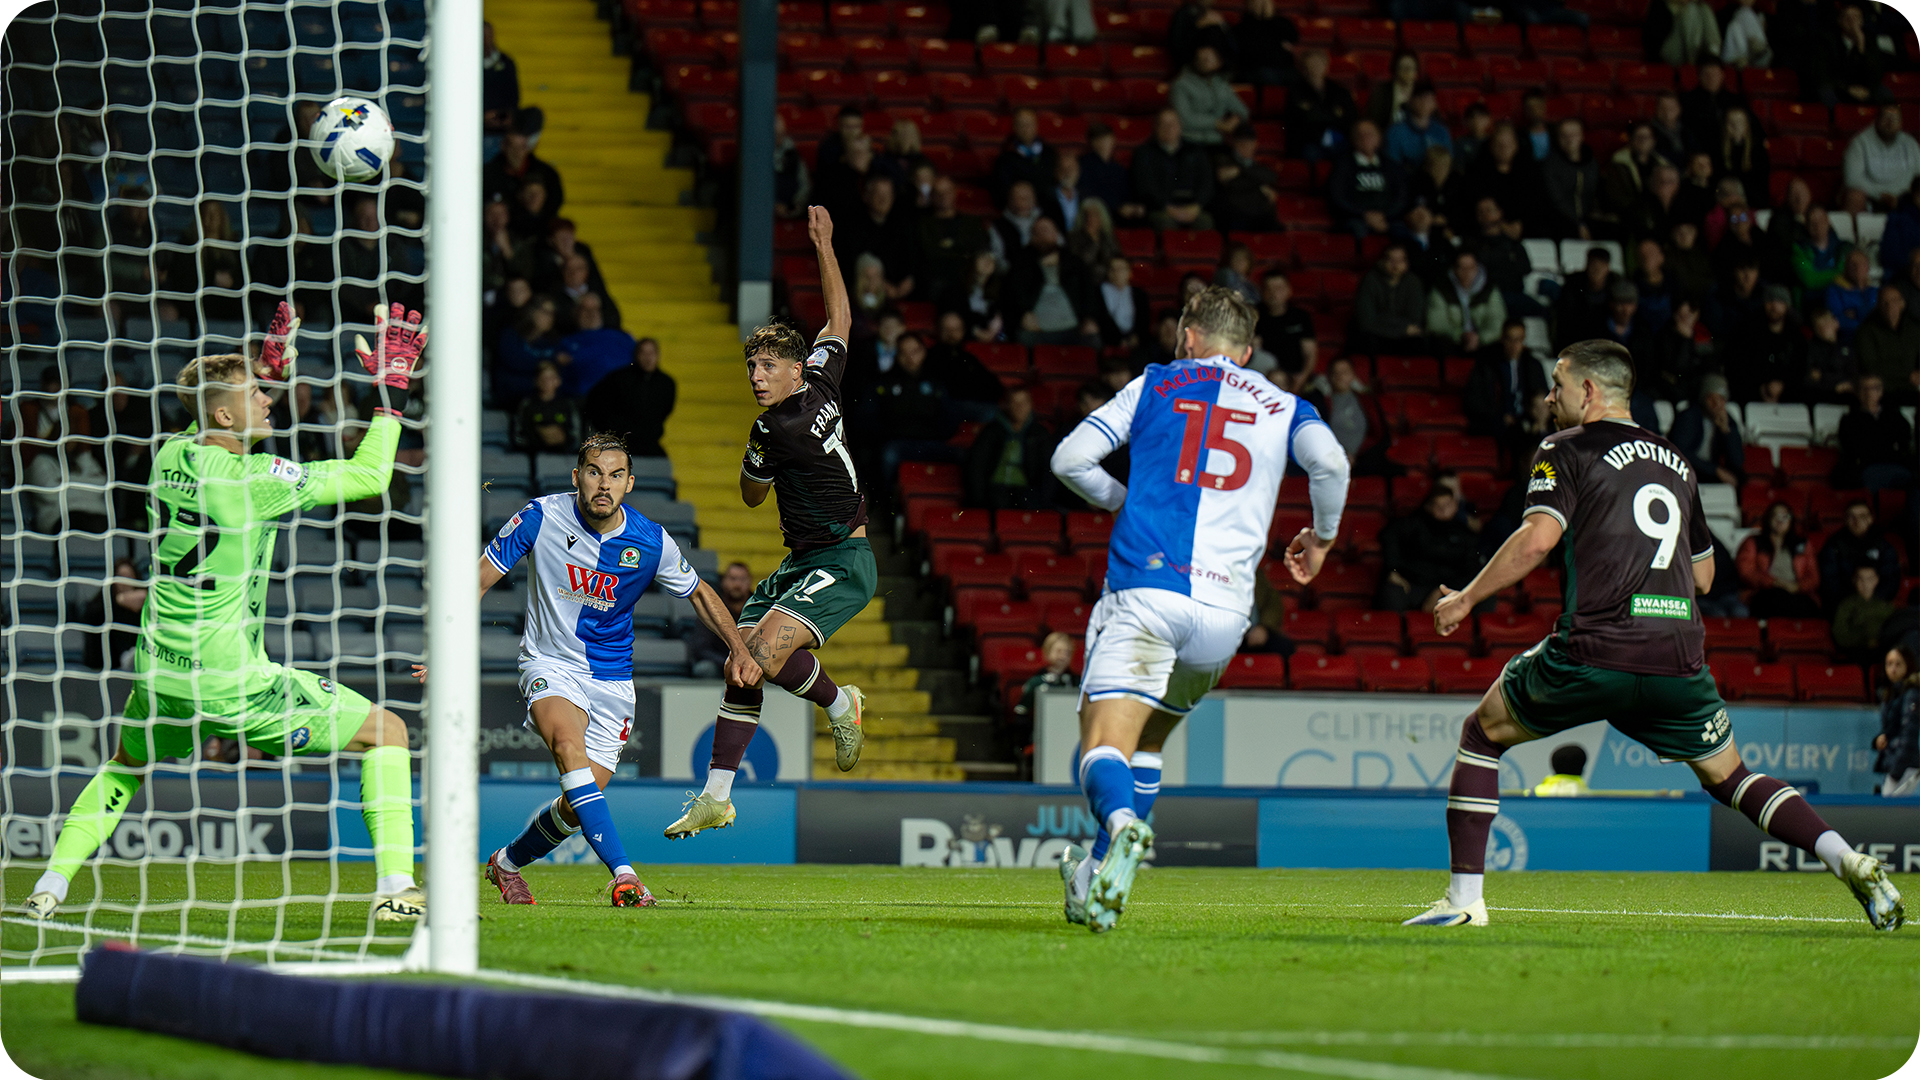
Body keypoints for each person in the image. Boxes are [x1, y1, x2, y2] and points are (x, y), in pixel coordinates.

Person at [1403, 339, 1903, 930]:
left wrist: (1466, 597)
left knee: (1482, 734)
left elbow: (1537, 540)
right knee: (1732, 776)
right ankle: (1846, 860)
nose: (1547, 396)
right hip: (1675, 657)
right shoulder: (1677, 460)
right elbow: (1706, 573)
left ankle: (1464, 901)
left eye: (1557, 384)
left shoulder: (1564, 448)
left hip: (1596, 648)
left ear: (1587, 392)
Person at [22, 303, 427, 923]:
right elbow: (371, 476)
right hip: (231, 679)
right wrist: (389, 398)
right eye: (255, 394)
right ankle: (397, 889)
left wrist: (262, 370)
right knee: (389, 732)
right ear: (221, 413)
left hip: (159, 668)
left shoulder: (169, 458)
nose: (268, 400)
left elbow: (212, 423)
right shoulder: (258, 479)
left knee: (125, 766)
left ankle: (48, 887)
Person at [1050, 286, 1350, 932]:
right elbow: (1331, 462)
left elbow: (1069, 459)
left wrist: (1119, 500)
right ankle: (1097, 877)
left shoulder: (1157, 383)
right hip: (1223, 619)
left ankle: (1123, 824)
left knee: (1104, 744)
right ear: (1245, 351)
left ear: (1187, 336)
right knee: (1150, 738)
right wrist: (1321, 539)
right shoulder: (1284, 404)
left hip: (1147, 594)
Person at [437, 433, 755, 908]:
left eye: (614, 475)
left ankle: (505, 863)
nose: (603, 484)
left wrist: (739, 648)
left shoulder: (648, 541)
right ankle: (625, 876)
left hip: (611, 682)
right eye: (593, 472)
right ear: (576, 477)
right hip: (548, 664)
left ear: (629, 483)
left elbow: (700, 594)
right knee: (568, 748)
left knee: (576, 804)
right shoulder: (541, 516)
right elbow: (478, 578)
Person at [667, 208, 877, 841]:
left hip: (843, 560)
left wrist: (753, 461)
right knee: (740, 662)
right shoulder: (821, 380)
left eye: (765, 368)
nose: (756, 378)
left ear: (791, 369)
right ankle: (716, 796)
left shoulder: (772, 429)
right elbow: (839, 319)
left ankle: (843, 704)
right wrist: (826, 245)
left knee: (755, 652)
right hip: (804, 561)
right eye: (751, 369)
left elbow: (752, 497)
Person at [1378, 485, 1483, 613]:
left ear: (1456, 505)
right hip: (1413, 585)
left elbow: (1471, 568)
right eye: (1438, 506)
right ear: (1429, 506)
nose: (1443, 510)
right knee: (1392, 592)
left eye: (1447, 505)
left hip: (1449, 589)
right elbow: (1388, 537)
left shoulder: (1464, 533)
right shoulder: (1413, 524)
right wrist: (1392, 570)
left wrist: (1443, 591)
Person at [1005, 217, 1099, 347]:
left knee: (1093, 339)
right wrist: (1023, 314)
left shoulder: (1073, 262)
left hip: (1073, 327)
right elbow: (1013, 294)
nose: (1042, 235)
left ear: (1056, 234)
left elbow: (1088, 291)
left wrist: (1089, 318)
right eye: (1038, 231)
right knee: (1023, 338)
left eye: (1046, 230)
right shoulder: (1021, 264)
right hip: (1037, 329)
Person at [965, 385, 1056, 509]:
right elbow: (977, 465)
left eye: (1023, 403)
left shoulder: (1040, 434)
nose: (1020, 408)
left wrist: (1043, 500)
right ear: (1007, 405)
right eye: (1015, 403)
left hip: (1027, 491)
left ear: (1031, 405)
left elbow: (1047, 470)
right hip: (995, 489)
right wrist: (978, 498)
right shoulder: (991, 431)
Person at [583, 337, 675, 457]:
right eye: (643, 353)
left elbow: (664, 411)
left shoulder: (666, 383)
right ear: (636, 355)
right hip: (620, 443)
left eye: (651, 353)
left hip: (648, 444)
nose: (648, 358)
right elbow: (596, 403)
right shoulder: (618, 379)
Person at [1130, 109, 1216, 231]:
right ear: (1156, 128)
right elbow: (1145, 186)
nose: (1168, 128)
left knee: (1205, 222)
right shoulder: (1144, 153)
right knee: (1165, 222)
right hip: (1160, 208)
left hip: (1193, 207)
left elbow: (1206, 183)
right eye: (1164, 124)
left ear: (1180, 126)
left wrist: (1197, 206)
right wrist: (1167, 207)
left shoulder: (1195, 151)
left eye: (1172, 124)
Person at [1737, 500, 1823, 618]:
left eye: (1784, 516)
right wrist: (1773, 582)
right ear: (1768, 519)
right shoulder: (1754, 542)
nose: (1780, 520)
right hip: (1766, 592)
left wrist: (1798, 587)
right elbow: (1746, 572)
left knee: (1806, 608)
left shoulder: (1803, 544)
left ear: (1791, 519)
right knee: (1774, 601)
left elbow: (1814, 577)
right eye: (1775, 516)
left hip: (1797, 592)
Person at [1466, 320, 1550, 437]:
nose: (1514, 345)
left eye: (1518, 340)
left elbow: (1542, 393)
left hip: (1527, 419)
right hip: (1497, 422)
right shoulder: (1488, 364)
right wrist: (1500, 417)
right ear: (1502, 339)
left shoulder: (1532, 365)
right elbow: (1475, 399)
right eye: (1510, 339)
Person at [1820, 500, 1905, 612]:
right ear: (1846, 520)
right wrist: (1854, 603)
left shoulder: (1883, 545)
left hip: (1877, 604)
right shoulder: (1834, 545)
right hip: (1844, 606)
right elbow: (1830, 582)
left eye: (1862, 516)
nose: (1857, 521)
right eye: (1851, 517)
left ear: (1870, 519)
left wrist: (1872, 602)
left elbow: (1890, 580)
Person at [1835, 374, 1915, 490]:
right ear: (1858, 392)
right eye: (1865, 389)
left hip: (1895, 464)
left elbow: (1904, 440)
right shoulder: (1849, 420)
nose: (1870, 393)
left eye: (1875, 388)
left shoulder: (1893, 415)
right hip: (1867, 467)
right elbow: (1853, 448)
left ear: (1881, 391)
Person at [1328, 120, 1407, 238]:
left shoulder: (1391, 166)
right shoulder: (1343, 166)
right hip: (1355, 219)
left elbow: (1402, 195)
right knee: (1357, 230)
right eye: (1360, 134)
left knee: (1404, 232)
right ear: (1353, 139)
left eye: (1370, 134)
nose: (1365, 138)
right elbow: (1337, 197)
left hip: (1387, 218)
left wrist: (1384, 215)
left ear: (1379, 138)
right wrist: (1365, 215)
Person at [919, 176, 992, 301]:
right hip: (934, 282)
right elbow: (927, 253)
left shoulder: (972, 223)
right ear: (932, 196)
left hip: (967, 280)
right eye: (938, 193)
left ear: (954, 193)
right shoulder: (921, 224)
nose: (943, 196)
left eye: (947, 192)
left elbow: (980, 249)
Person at [1727, 285, 1803, 404]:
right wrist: (1760, 387)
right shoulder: (1748, 331)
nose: (1774, 306)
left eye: (1779, 301)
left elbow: (1799, 370)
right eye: (1770, 301)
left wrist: (1783, 387)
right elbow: (1738, 366)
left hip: (1789, 399)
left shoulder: (1797, 337)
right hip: (1751, 396)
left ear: (1787, 306)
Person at [1667, 373, 1746, 486]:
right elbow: (1681, 453)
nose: (1716, 404)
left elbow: (1737, 462)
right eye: (1711, 398)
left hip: (1711, 474)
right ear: (1703, 398)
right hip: (1688, 471)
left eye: (1721, 399)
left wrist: (1726, 431)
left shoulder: (1727, 421)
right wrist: (1715, 470)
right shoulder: (1689, 417)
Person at [1010, 632, 1081, 757]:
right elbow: (1022, 714)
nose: (1063, 656)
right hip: (1042, 736)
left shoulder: (1077, 683)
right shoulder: (1036, 683)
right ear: (1047, 652)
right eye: (1059, 651)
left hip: (1071, 735)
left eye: (1067, 652)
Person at [1283, 48, 1358, 162]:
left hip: (1339, 140)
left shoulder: (1340, 91)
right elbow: (1297, 121)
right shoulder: (1296, 91)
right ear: (1304, 68)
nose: (1315, 67)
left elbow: (1350, 118)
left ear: (1326, 66)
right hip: (1309, 142)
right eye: (1312, 64)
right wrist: (1331, 117)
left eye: (1319, 63)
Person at [1354, 243, 1429, 355]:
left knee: (1421, 343)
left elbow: (1415, 319)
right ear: (1382, 261)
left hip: (1402, 338)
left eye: (1400, 261)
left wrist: (1384, 322)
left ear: (1406, 263)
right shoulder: (1370, 280)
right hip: (1378, 336)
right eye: (1391, 260)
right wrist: (1401, 330)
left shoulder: (1413, 283)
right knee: (1366, 341)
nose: (1395, 265)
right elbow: (1366, 321)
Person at [1427, 248, 1506, 354]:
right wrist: (1461, 336)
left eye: (1470, 268)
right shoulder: (1442, 290)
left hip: (1483, 343)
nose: (1467, 272)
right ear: (1454, 269)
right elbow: (1436, 324)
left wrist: (1479, 338)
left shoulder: (1489, 289)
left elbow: (1498, 321)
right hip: (1453, 343)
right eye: (1462, 268)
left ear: (1477, 268)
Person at [554, 293, 634, 397]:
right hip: (583, 401)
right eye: (585, 309)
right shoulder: (566, 342)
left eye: (595, 309)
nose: (591, 313)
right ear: (576, 312)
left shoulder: (622, 338)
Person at [685, 562, 756, 680]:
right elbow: (701, 648)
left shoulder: (760, 610)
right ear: (723, 581)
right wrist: (730, 663)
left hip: (751, 666)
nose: (737, 584)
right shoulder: (711, 607)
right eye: (733, 579)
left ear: (749, 582)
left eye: (742, 579)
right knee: (705, 668)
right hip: (720, 665)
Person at [1814, 3, 1890, 109]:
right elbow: (1823, 74)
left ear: (1862, 21)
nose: (1852, 21)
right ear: (1839, 21)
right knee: (1826, 93)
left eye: (1856, 17)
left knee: (1885, 93)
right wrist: (1847, 89)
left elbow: (1875, 74)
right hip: (1838, 86)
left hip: (1863, 86)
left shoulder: (1869, 41)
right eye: (1847, 17)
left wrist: (1861, 47)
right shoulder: (1827, 41)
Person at [1171, 45, 1248, 147]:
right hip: (1190, 142)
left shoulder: (1220, 84)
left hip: (1217, 142)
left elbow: (1242, 110)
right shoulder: (1181, 84)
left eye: (1212, 56)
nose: (1207, 59)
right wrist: (1217, 124)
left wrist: (1235, 119)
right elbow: (1184, 119)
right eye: (1204, 57)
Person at [1541, 119, 1602, 241]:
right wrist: (1578, 223)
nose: (1569, 140)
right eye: (1564, 136)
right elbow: (1557, 200)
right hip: (1561, 221)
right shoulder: (1551, 164)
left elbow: (1595, 195)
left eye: (1573, 135)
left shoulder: (1592, 164)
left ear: (1582, 136)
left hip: (1587, 219)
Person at [83, 557, 146, 672]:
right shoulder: (101, 603)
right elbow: (90, 616)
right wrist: (119, 600)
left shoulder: (146, 601)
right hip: (105, 662)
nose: (125, 582)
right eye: (121, 577)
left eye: (129, 577)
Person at [1253, 273, 1316, 389]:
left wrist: (1300, 381)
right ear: (1262, 291)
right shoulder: (1254, 316)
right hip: (1264, 378)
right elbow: (1254, 353)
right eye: (1269, 289)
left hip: (1297, 377)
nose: (1273, 293)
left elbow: (1310, 354)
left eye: (1278, 288)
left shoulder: (1300, 317)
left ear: (1289, 290)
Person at [1856, 288, 1920, 399]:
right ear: (1878, 305)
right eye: (1885, 302)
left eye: (1894, 300)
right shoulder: (1866, 331)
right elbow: (1870, 366)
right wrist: (1908, 374)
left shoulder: (1914, 329)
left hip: (1914, 389)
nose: (1890, 306)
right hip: (1884, 393)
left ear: (1902, 303)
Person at [1212, 128, 1280, 233]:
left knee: (1276, 229)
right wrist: (1258, 185)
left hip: (1258, 213)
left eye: (1249, 143)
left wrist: (1240, 171)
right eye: (1242, 143)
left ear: (1255, 144)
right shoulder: (1223, 159)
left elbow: (1271, 177)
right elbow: (1232, 184)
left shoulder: (1257, 166)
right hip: (1235, 213)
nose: (1246, 147)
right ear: (1234, 143)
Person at [1603, 124, 1671, 227]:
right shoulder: (1619, 164)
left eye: (1647, 137)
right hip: (1628, 217)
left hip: (1658, 215)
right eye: (1639, 137)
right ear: (1631, 139)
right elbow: (1616, 198)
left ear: (1653, 141)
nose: (1643, 141)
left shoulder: (1663, 165)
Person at [1874, 645, 1920, 795]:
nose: (1893, 668)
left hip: (1906, 768)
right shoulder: (1891, 694)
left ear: (1908, 665)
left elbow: (1909, 737)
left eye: (1898, 664)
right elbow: (1891, 729)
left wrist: (1896, 773)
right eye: (1889, 664)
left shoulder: (1911, 694)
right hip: (1895, 764)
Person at [512, 361, 581, 455]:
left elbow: (577, 436)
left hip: (564, 456)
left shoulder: (568, 405)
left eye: (551, 378)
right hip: (534, 456)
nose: (547, 382)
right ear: (536, 381)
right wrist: (540, 436)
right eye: (543, 378)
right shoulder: (527, 405)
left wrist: (562, 438)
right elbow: (519, 436)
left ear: (558, 380)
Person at [1836, 566, 1898, 662]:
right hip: (1855, 654)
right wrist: (1864, 641)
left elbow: (1895, 632)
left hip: (1883, 653)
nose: (1865, 584)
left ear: (1877, 580)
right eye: (1860, 579)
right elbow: (1840, 634)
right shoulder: (1846, 606)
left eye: (1869, 579)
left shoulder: (1886, 607)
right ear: (1854, 580)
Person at [1711, 109, 1770, 211]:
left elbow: (1761, 183)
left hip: (1752, 204)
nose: (1736, 126)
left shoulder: (1757, 151)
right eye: (1731, 122)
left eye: (1740, 122)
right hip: (1725, 203)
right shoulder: (1717, 150)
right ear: (1725, 126)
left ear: (1746, 125)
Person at [991, 108, 1051, 208]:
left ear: (1036, 125)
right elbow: (1001, 193)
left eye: (1029, 124)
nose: (1026, 128)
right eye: (1021, 124)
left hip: (1044, 211)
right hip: (1017, 211)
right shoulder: (1004, 159)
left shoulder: (1050, 154)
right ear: (1014, 127)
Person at [1385, 83, 1451, 172]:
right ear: (1410, 101)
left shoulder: (1441, 131)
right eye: (1420, 98)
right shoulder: (1396, 132)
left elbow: (1448, 161)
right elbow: (1392, 165)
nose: (1424, 103)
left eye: (1428, 99)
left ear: (1434, 104)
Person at [1093, 256, 1152, 350]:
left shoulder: (1139, 294)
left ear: (1129, 272)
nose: (1117, 273)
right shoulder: (1098, 293)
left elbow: (1144, 319)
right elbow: (1101, 319)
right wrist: (1118, 340)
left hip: (1135, 341)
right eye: (1113, 269)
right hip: (1109, 340)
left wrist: (1136, 337)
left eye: (1120, 269)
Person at [1078, 122, 1134, 218]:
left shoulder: (1119, 169)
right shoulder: (1083, 165)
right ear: (1092, 143)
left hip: (1119, 213)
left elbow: (1126, 194)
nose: (1103, 143)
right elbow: (1088, 195)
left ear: (1113, 140)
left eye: (1106, 139)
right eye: (1098, 140)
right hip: (1097, 214)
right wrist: (1117, 208)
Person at [1793, 205, 1851, 298]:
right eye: (1813, 222)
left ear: (1828, 222)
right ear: (1807, 226)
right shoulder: (1799, 250)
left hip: (1840, 297)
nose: (1817, 225)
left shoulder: (1843, 248)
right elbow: (1809, 280)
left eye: (1821, 220)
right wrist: (1837, 276)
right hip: (1811, 300)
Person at [1647, 0, 1722, 66]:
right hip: (1670, 53)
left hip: (1696, 51)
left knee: (1704, 8)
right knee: (1691, 9)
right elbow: (1653, 40)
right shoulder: (1659, 4)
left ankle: (1713, 60)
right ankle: (1694, 63)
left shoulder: (1699, 8)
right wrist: (1677, 14)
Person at [1828, 249, 1879, 342]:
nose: (1857, 268)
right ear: (1846, 268)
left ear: (1867, 268)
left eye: (1861, 264)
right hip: (1849, 339)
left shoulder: (1875, 291)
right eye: (1853, 264)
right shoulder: (1835, 291)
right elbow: (1836, 320)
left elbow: (1879, 316)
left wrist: (1857, 313)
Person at [1365, 52, 1421, 135]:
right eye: (1403, 68)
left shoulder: (1422, 92)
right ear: (1395, 70)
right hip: (1387, 135)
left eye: (1410, 68)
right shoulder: (1383, 91)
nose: (1407, 72)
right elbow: (1373, 120)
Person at [1720, 0, 1772, 67]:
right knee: (1740, 18)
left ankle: (1759, 48)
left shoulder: (1762, 15)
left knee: (1746, 12)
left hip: (1760, 57)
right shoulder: (1726, 13)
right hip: (1733, 59)